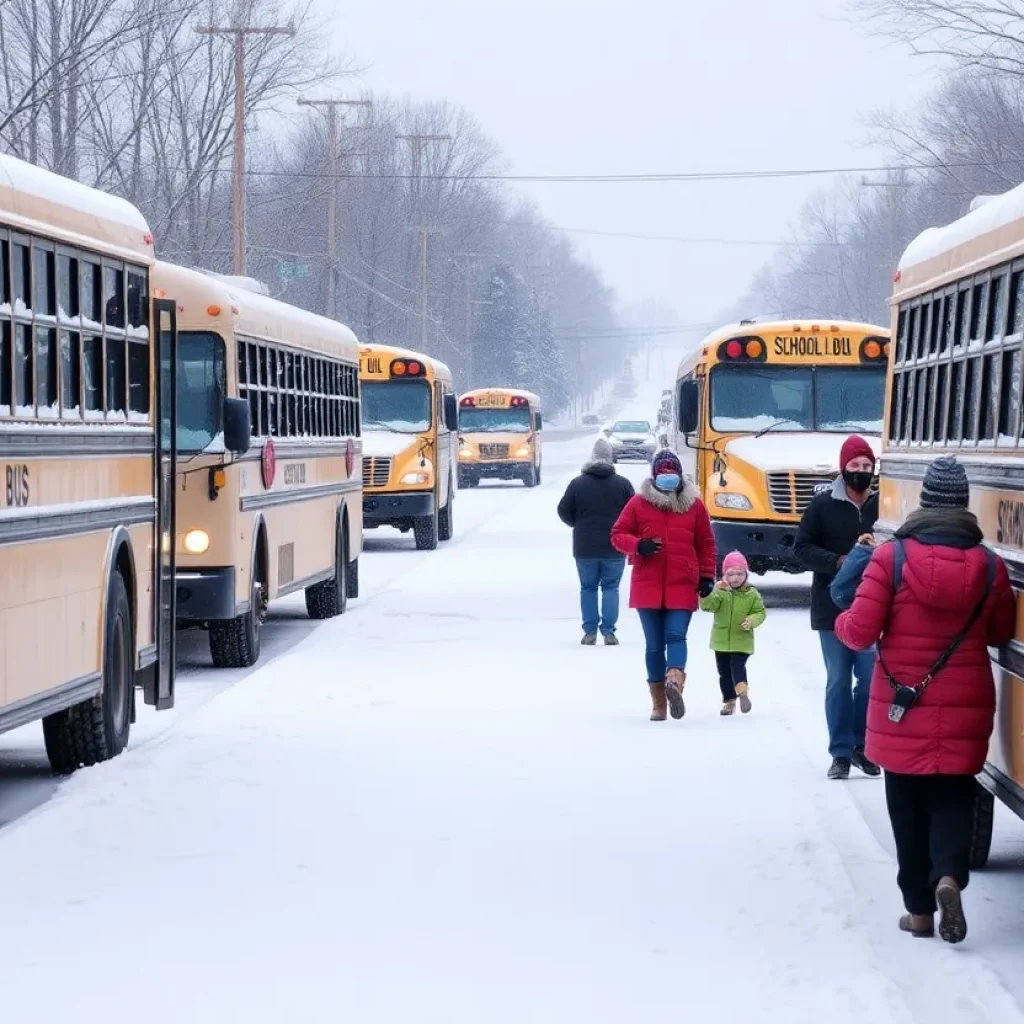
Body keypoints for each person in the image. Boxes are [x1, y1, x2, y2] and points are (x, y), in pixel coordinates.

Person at [835, 456, 1015, 944]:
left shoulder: (891, 559)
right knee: (955, 796)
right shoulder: (991, 566)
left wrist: (841, 619)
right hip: (966, 702)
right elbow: (1000, 632)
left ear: (924, 501)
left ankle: (917, 913)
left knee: (907, 809)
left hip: (902, 705)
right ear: (964, 504)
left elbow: (858, 632)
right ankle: (949, 879)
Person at [794, 434, 880, 780]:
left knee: (872, 679)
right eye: (854, 466)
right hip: (832, 607)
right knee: (839, 680)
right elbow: (801, 548)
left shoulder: (883, 503)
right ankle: (840, 752)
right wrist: (838, 562)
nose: (861, 471)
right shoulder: (822, 505)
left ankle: (862, 745)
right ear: (842, 469)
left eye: (866, 466)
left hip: (874, 606)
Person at [611, 449, 716, 721]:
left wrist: (707, 576)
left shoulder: (694, 505)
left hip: (683, 581)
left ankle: (674, 683)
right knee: (654, 645)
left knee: (676, 636)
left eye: (673, 473)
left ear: (681, 476)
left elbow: (706, 543)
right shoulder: (638, 503)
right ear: (655, 476)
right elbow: (617, 534)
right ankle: (659, 703)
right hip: (648, 585)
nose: (668, 477)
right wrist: (638, 546)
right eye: (663, 473)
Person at [557, 437, 635, 645]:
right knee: (611, 588)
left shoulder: (577, 484)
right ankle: (609, 631)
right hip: (615, 546)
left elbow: (563, 510)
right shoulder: (623, 484)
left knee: (588, 588)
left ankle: (590, 631)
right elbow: (635, 513)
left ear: (592, 459)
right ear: (610, 459)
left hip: (585, 546)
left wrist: (578, 524)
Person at [699, 550, 766, 716]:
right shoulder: (720, 592)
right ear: (724, 575)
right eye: (730, 574)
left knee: (737, 666)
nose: (735, 578)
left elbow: (760, 612)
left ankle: (742, 693)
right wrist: (706, 594)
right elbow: (708, 606)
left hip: (742, 640)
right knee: (724, 673)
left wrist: (751, 620)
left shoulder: (752, 594)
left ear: (746, 574)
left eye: (739, 574)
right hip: (721, 642)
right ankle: (729, 701)